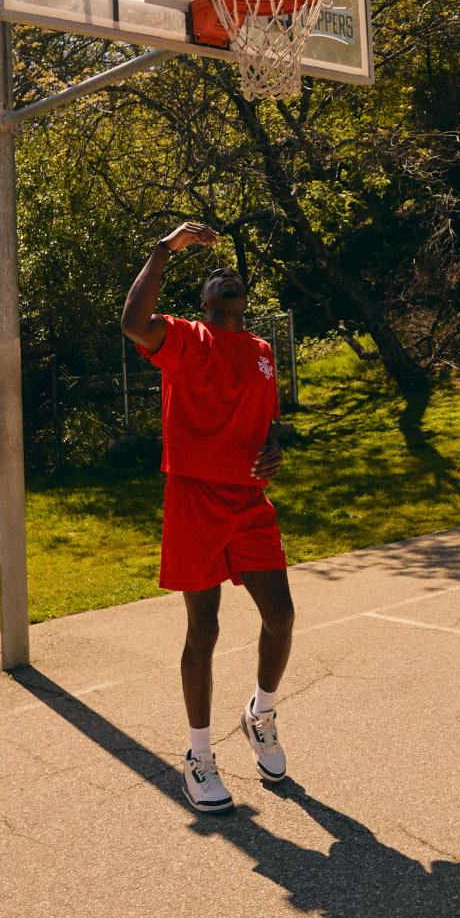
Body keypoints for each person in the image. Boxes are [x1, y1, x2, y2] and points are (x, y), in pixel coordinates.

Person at [121, 222, 293, 812]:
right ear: (204, 300)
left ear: (245, 300)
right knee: (205, 629)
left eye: (233, 277)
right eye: (215, 277)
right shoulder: (184, 338)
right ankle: (198, 754)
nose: (225, 278)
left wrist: (274, 449)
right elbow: (131, 323)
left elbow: (268, 422)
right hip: (194, 498)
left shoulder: (263, 352)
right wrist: (166, 248)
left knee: (282, 615)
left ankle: (260, 714)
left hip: (248, 501)